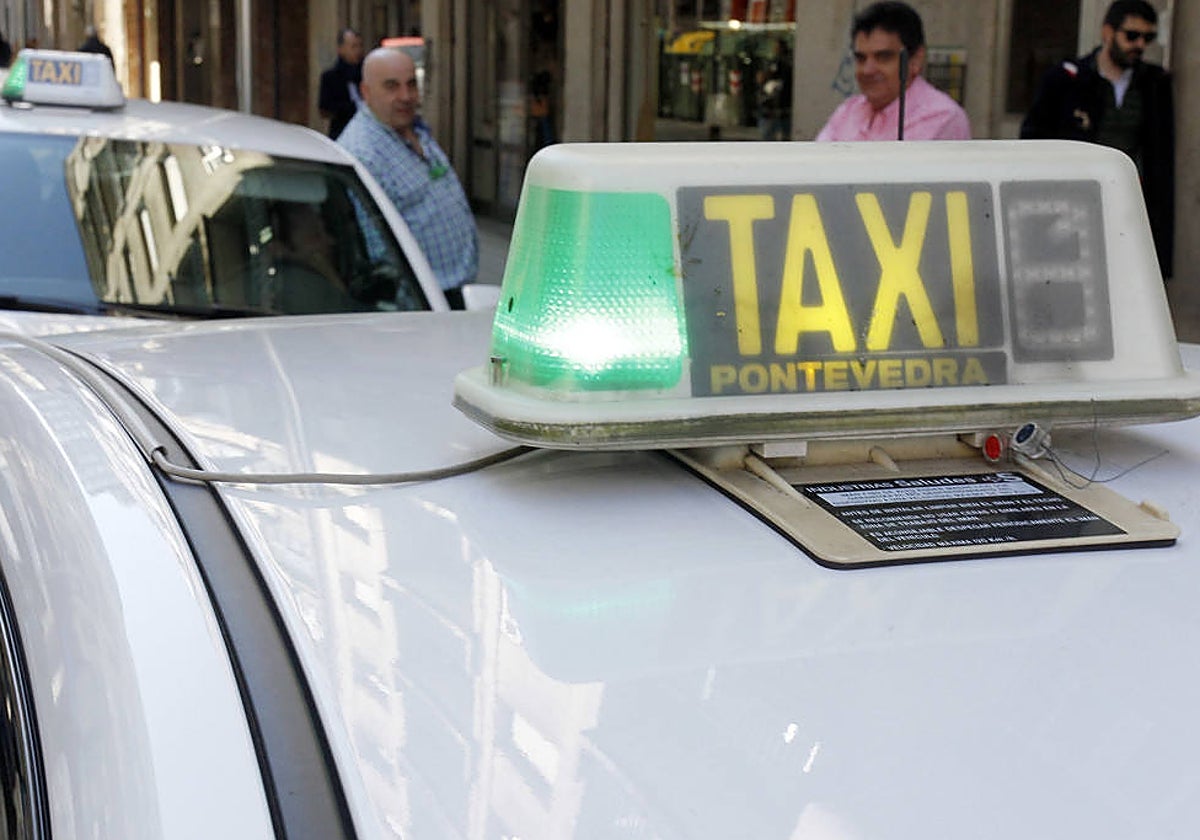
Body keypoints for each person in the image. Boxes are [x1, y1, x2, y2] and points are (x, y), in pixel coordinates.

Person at [1020, 0, 1173, 279]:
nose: (1139, 44)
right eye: (1131, 35)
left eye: (1147, 38)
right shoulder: (1067, 80)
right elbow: (1033, 141)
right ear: (1107, 32)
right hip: (1071, 203)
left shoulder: (1153, 84)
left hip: (1128, 206)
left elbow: (1161, 160)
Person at [338, 47, 478, 309]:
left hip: (454, 290)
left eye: (412, 85)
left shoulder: (410, 129)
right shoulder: (362, 153)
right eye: (392, 87)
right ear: (366, 92)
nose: (406, 96)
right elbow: (378, 252)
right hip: (422, 304)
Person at [816, 1, 970, 142]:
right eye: (861, 58)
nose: (868, 70)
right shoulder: (848, 111)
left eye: (883, 57)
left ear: (915, 60)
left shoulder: (941, 117)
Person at [318, 28, 365, 140]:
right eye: (353, 47)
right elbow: (324, 109)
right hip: (342, 131)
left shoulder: (366, 73)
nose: (358, 51)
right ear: (341, 49)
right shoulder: (330, 77)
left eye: (360, 46)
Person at [756, 40, 793, 141]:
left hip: (780, 108)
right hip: (770, 109)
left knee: (781, 135)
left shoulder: (785, 65)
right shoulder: (773, 63)